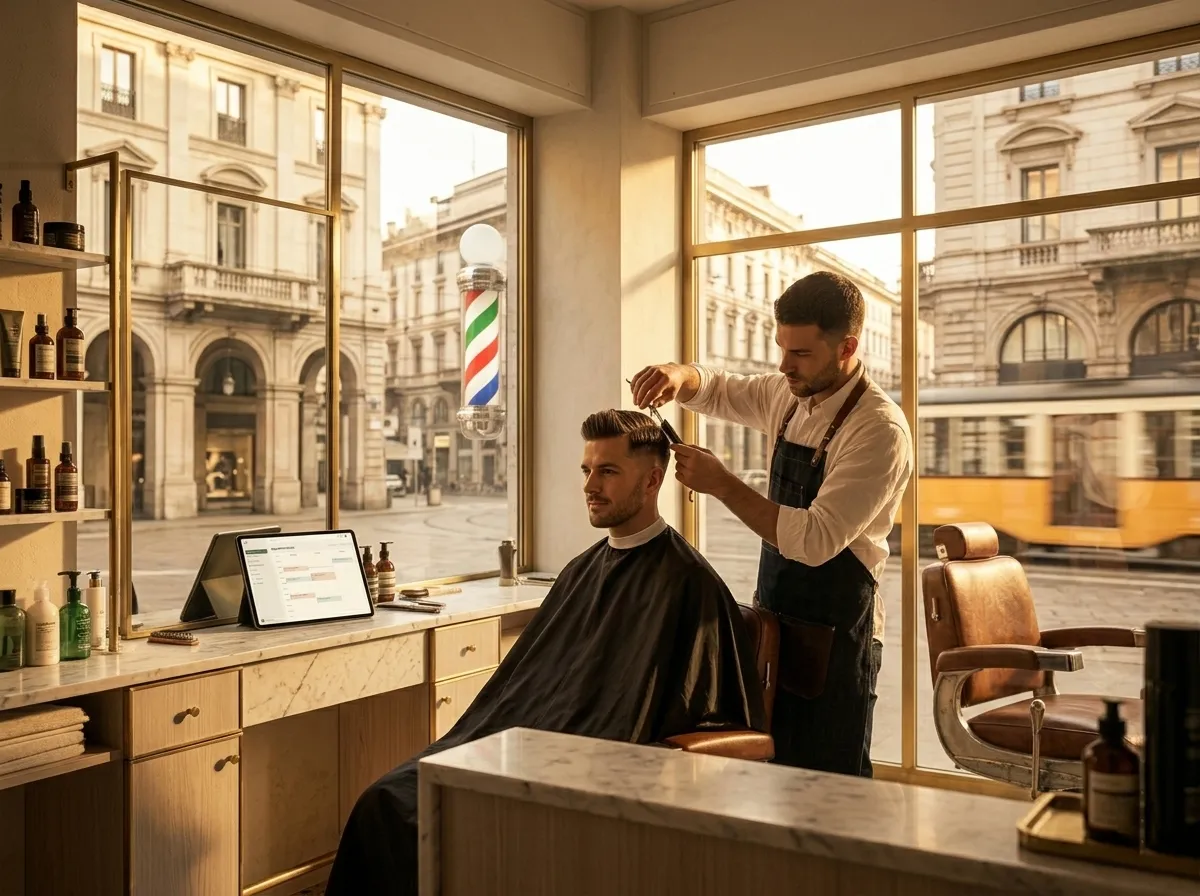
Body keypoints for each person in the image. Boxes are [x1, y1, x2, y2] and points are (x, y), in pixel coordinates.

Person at [325, 409, 766, 896]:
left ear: (652, 480)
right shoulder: (582, 569)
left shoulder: (689, 584)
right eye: (586, 470)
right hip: (524, 745)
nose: (590, 485)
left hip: (594, 766)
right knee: (385, 801)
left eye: (608, 471)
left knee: (453, 821)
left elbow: (708, 708)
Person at [630, 270, 913, 778]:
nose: (785, 366)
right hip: (776, 624)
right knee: (775, 774)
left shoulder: (879, 430)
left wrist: (722, 484)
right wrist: (677, 374)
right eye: (780, 349)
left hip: (839, 634)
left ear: (847, 345)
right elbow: (714, 388)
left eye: (800, 353)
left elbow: (814, 540)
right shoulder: (788, 395)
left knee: (831, 785)